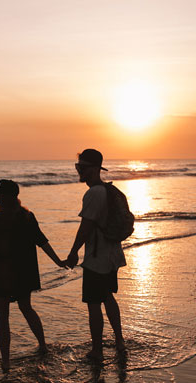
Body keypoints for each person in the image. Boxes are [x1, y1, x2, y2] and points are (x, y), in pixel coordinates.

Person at [0, 179, 65, 371]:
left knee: (2, 316)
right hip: (24, 271)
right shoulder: (27, 216)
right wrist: (58, 262)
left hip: (2, 271)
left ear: (5, 197)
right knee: (26, 307)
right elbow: (42, 241)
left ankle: (6, 361)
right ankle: (43, 345)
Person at [66, 149, 127, 362]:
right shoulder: (108, 191)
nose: (79, 171)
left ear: (93, 169)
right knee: (108, 297)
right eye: (77, 167)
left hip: (97, 258)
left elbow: (86, 228)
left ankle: (97, 351)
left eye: (81, 168)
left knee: (93, 303)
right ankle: (119, 341)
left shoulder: (93, 193)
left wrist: (73, 252)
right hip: (112, 255)